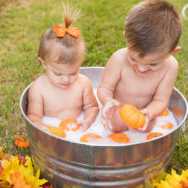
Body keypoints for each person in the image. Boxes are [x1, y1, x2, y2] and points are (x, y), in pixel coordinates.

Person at [97, 0, 182, 132]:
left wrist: (149, 113)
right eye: (133, 59)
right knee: (115, 124)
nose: (141, 68)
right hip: (118, 108)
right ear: (127, 38)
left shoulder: (170, 67)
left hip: (145, 111)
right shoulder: (119, 59)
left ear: (170, 53)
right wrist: (107, 101)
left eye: (153, 64)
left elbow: (160, 99)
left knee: (147, 127)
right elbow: (104, 88)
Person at [27, 7, 99, 132]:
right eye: (58, 73)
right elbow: (33, 116)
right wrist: (42, 127)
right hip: (54, 132)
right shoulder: (38, 89)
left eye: (73, 73)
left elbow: (92, 107)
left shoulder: (83, 84)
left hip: (79, 131)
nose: (66, 79)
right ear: (44, 63)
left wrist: (88, 120)